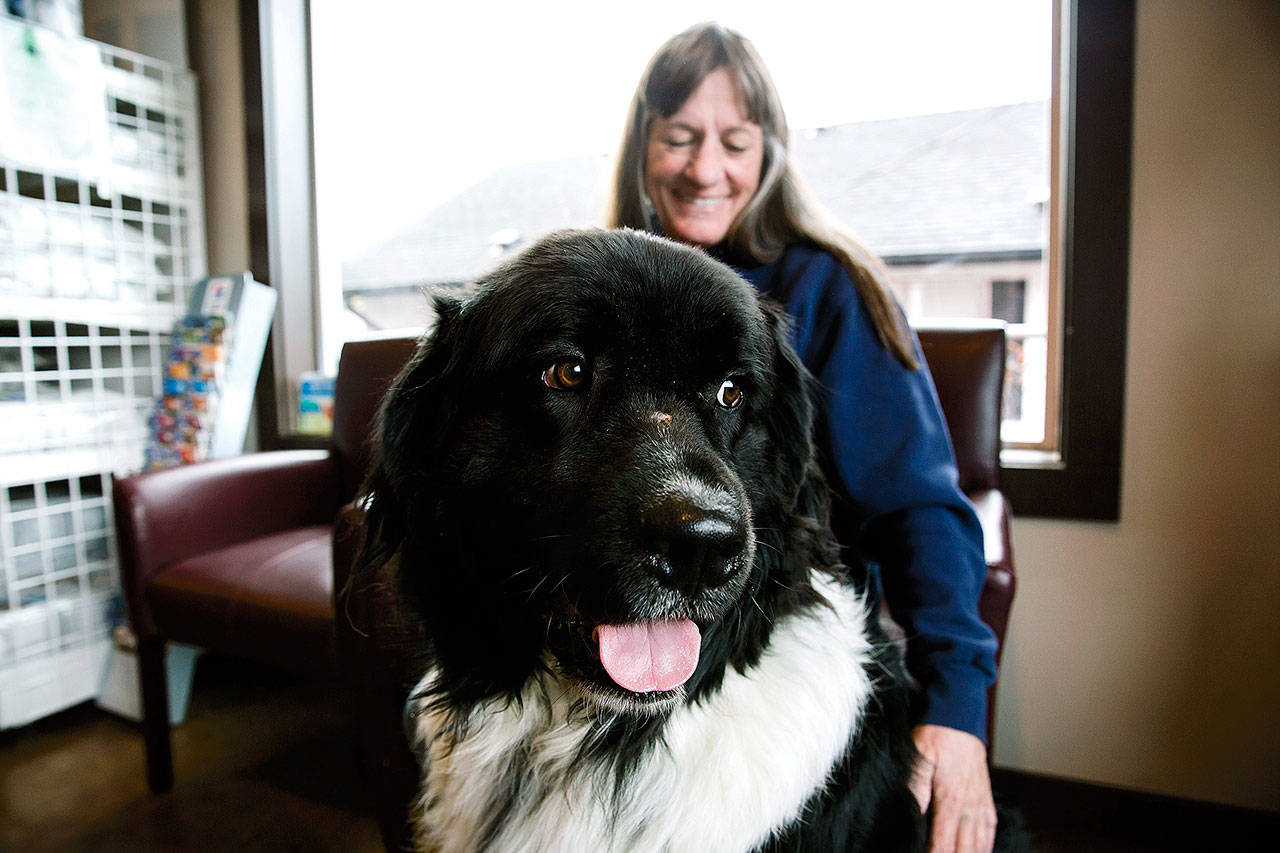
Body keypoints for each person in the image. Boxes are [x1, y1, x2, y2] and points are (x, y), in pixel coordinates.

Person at [607, 22, 1001, 853]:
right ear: (643, 148)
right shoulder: (605, 283)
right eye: (679, 138)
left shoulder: (828, 286)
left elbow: (918, 504)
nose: (705, 169)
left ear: (770, 154)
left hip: (780, 648)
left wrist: (959, 706)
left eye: (734, 142)